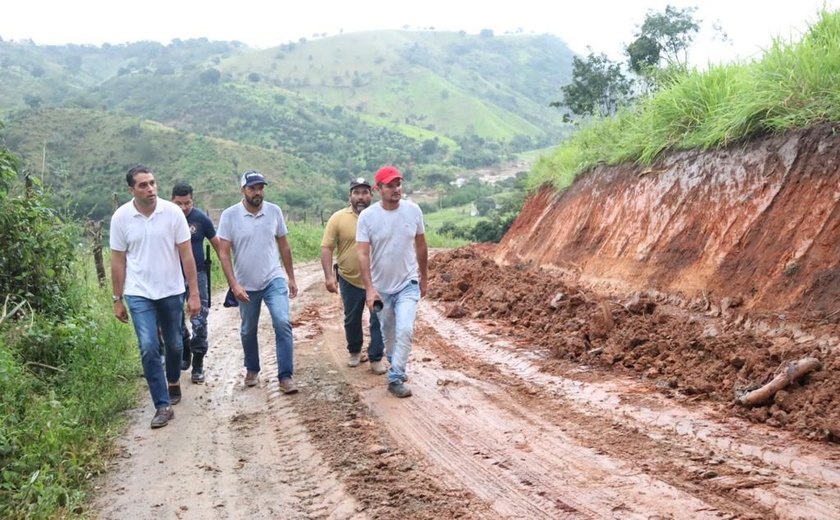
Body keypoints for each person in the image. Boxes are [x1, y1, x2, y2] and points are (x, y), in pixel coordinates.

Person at [110, 165, 201, 429]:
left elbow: (187, 255)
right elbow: (117, 261)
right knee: (149, 346)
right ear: (131, 190)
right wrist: (117, 298)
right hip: (139, 293)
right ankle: (162, 405)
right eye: (143, 185)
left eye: (152, 183)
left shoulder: (172, 213)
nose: (150, 189)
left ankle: (173, 380)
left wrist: (194, 293)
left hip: (171, 290)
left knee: (174, 344)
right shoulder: (121, 218)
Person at [217, 170, 299, 394]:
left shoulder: (274, 212)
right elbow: (223, 253)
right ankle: (252, 368)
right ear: (243, 190)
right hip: (245, 285)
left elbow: (284, 245)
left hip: (273, 279)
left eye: (260, 187)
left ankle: (285, 376)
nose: (257, 192)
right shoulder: (229, 215)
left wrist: (290, 277)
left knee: (282, 322)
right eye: (252, 188)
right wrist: (234, 285)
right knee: (247, 329)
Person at [356, 166, 428, 398]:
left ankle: (396, 376)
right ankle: (394, 360)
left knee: (405, 328)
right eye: (390, 185)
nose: (396, 189)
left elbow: (421, 245)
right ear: (378, 189)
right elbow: (363, 254)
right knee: (388, 332)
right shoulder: (368, 217)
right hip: (381, 287)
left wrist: (424, 278)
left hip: (408, 283)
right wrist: (369, 289)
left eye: (398, 184)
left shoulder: (413, 211)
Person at [320, 177, 386, 374]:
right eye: (356, 193)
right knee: (352, 318)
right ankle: (355, 351)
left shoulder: (380, 215)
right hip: (349, 279)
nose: (360, 197)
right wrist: (328, 276)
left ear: (371, 195)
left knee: (378, 318)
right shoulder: (338, 218)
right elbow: (327, 247)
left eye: (365, 193)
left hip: (378, 279)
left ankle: (376, 357)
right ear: (350, 196)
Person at [171, 182, 222, 384]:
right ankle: (185, 349)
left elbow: (217, 243)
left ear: (193, 200)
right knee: (174, 319)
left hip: (198, 274)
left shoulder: (201, 219)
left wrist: (230, 271)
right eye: (178, 203)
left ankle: (198, 363)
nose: (183, 208)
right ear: (171, 200)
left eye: (187, 203)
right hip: (172, 275)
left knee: (199, 319)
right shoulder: (166, 218)